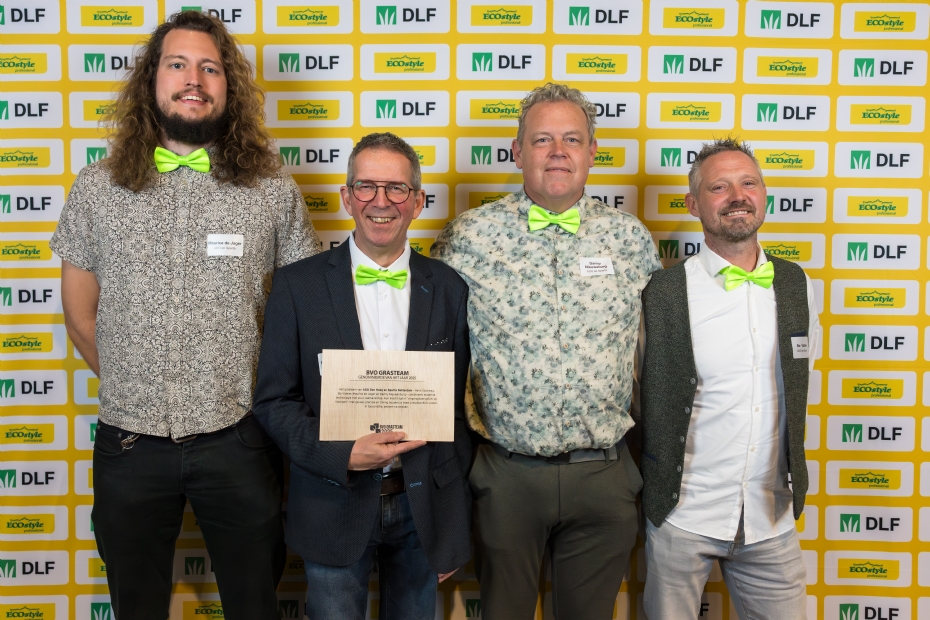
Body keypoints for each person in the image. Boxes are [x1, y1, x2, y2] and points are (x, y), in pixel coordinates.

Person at [50, 10, 319, 619]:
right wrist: (135, 383)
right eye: (177, 64)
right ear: (152, 79)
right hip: (128, 443)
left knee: (254, 604)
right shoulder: (97, 187)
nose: (193, 79)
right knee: (136, 607)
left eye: (209, 67)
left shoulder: (272, 189)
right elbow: (80, 316)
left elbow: (302, 311)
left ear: (229, 86)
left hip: (240, 438)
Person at [431, 83, 662, 618]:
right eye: (542, 139)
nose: (558, 151)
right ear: (517, 151)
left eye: (572, 139)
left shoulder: (630, 239)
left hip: (604, 475)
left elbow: (658, 357)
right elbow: (431, 343)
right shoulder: (468, 236)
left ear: (592, 152)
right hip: (506, 475)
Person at [252, 132, 472, 620]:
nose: (381, 201)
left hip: (422, 511)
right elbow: (273, 402)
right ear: (347, 197)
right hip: (332, 502)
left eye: (396, 188)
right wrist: (341, 454)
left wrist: (451, 527)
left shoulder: (450, 288)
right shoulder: (297, 286)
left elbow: (459, 414)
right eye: (367, 186)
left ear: (418, 201)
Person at [638, 138, 819, 619]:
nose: (738, 196)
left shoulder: (797, 284)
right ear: (693, 204)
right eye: (719, 187)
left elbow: (798, 382)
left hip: (771, 517)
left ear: (764, 195)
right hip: (682, 515)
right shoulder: (663, 291)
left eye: (748, 183)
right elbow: (638, 394)